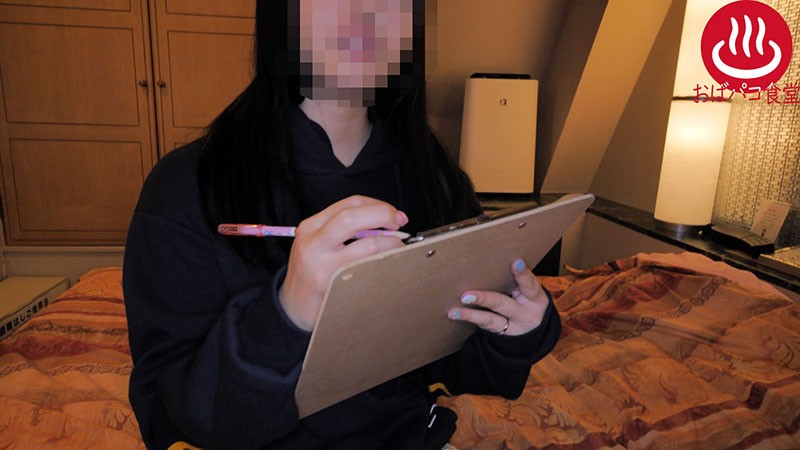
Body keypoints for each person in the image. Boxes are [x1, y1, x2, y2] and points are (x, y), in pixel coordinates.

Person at [123, 0, 561, 448]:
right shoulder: (187, 185)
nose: (363, 14)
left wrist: (514, 331)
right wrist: (286, 315)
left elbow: (447, 363)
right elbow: (169, 416)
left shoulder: (437, 180)